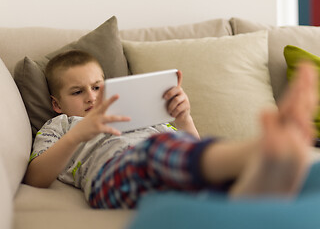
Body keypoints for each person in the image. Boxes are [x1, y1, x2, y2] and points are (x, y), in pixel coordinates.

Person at [23, 50, 319, 209]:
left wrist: (184, 119)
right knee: (154, 153)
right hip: (112, 176)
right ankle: (261, 151)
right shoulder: (61, 124)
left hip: (172, 168)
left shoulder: (140, 113)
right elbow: (36, 177)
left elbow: (192, 149)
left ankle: (256, 179)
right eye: (77, 92)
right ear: (57, 103)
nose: (91, 97)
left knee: (191, 162)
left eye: (97, 87)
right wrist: (80, 133)